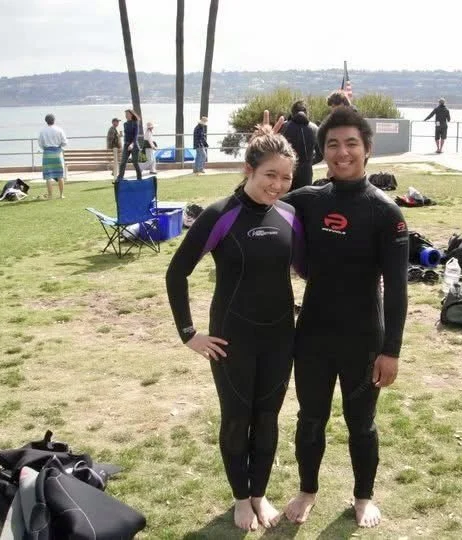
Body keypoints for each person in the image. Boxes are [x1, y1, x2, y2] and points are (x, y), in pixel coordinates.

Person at [166, 129, 303, 532]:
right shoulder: (221, 213)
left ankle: (259, 493)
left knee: (268, 419)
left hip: (280, 335)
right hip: (232, 338)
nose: (277, 186)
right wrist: (188, 333)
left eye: (285, 178)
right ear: (248, 170)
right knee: (237, 417)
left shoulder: (289, 215)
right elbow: (177, 273)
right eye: (269, 176)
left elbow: (309, 269)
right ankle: (241, 499)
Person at [281, 107, 409, 528]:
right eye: (332, 144)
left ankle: (363, 496)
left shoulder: (386, 213)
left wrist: (390, 351)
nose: (342, 152)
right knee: (310, 417)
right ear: (323, 152)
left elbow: (397, 291)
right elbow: (253, 202)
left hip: (363, 336)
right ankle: (307, 489)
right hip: (314, 333)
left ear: (368, 149)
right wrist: (265, 153)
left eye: (351, 143)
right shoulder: (307, 201)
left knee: (362, 424)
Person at [281, 101, 318, 191]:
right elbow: (321, 153)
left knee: (285, 201)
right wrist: (309, 162)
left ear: (292, 113)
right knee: (304, 201)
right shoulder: (314, 128)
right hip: (306, 173)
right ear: (307, 112)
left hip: (287, 170)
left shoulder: (284, 126)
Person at [38, 114, 68, 199]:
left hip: (47, 153)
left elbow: (40, 143)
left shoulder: (43, 131)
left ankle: (50, 195)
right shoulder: (59, 130)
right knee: (60, 175)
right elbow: (65, 142)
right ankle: (61, 195)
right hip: (57, 153)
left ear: (46, 121)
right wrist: (59, 146)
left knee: (48, 176)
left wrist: (45, 147)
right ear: (54, 120)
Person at [118, 109, 142, 180]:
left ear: (131, 114)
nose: (126, 116)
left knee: (135, 163)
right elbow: (126, 135)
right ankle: (120, 178)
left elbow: (135, 135)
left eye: (127, 114)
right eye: (125, 114)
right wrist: (121, 135)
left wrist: (132, 144)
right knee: (123, 162)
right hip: (126, 145)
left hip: (134, 145)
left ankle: (139, 178)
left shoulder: (135, 123)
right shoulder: (125, 124)